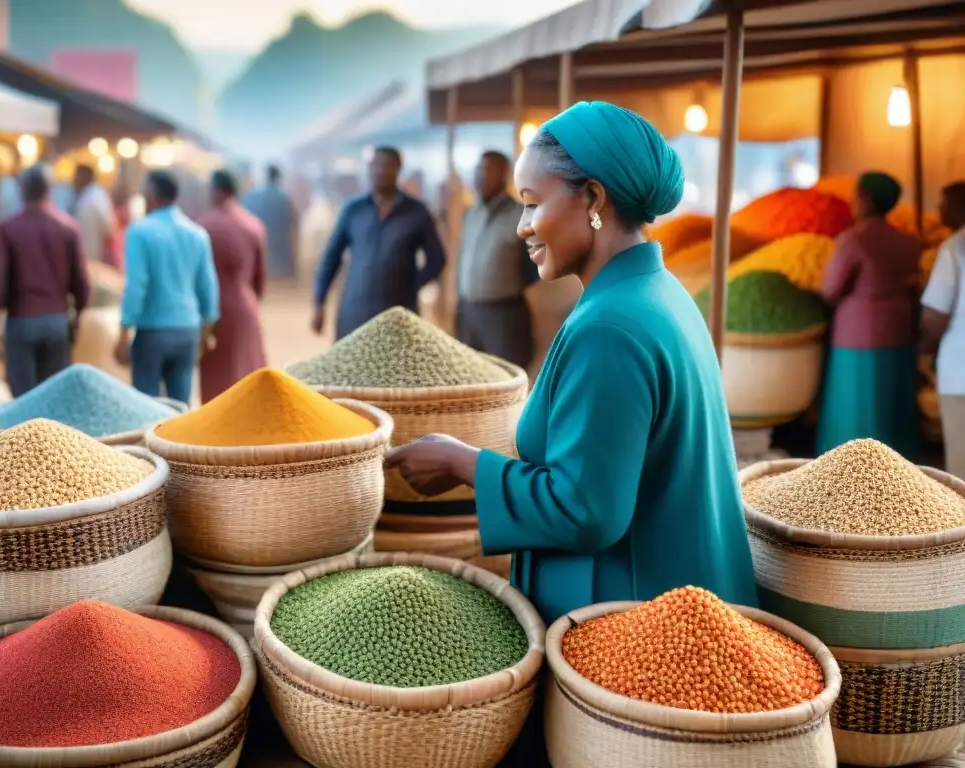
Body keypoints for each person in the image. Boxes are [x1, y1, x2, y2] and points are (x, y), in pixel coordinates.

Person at [386, 104, 758, 765]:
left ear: (592, 198)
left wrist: (463, 461)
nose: (523, 226)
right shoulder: (658, 294)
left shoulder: (608, 330)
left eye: (532, 203)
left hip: (634, 634)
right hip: (673, 594)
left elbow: (586, 510)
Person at [817, 171, 922, 458]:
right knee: (891, 402)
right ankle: (896, 468)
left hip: (858, 333)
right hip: (899, 328)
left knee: (856, 405)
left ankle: (849, 467)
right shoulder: (909, 242)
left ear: (865, 198)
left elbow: (831, 289)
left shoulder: (853, 239)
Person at [313, 147, 446, 339]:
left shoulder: (416, 212)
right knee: (351, 367)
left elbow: (437, 259)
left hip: (399, 316)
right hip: (354, 312)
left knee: (395, 367)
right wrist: (319, 302)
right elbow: (331, 258)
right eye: (375, 166)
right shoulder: (353, 210)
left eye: (387, 166)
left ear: (398, 169)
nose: (380, 171)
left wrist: (410, 285)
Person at [0, 164, 89, 396]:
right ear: (50, 190)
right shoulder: (68, 227)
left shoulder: (8, 228)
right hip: (57, 322)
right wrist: (76, 319)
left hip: (20, 322)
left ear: (22, 190)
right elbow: (82, 283)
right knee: (53, 400)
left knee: (23, 402)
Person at [118, 171, 220, 404]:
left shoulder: (140, 232)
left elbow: (136, 286)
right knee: (180, 408)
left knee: (146, 408)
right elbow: (208, 287)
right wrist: (206, 332)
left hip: (152, 332)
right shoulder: (197, 234)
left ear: (152, 196)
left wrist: (124, 333)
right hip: (187, 331)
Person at [457, 151, 539, 370]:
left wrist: (502, 288)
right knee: (469, 379)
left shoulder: (520, 215)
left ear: (504, 174)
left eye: (487, 170)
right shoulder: (470, 213)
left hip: (503, 316)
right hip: (469, 314)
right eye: (478, 169)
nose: (480, 176)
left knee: (506, 379)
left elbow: (533, 269)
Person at [197, 170, 268, 402]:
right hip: (245, 305)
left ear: (217, 191)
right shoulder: (253, 225)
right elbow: (259, 279)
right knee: (247, 372)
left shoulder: (203, 227)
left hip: (212, 311)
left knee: (216, 378)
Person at [921, 182, 965, 478]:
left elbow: (935, 315)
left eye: (944, 203)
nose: (939, 211)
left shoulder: (955, 247)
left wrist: (924, 348)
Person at [241, 164, 299, 279]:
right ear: (278, 178)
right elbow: (295, 229)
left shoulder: (251, 197)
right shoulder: (286, 200)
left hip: (257, 263)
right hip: (282, 265)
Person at [73, 164, 116, 266]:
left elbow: (108, 226)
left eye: (76, 176)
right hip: (86, 256)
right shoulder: (85, 195)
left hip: (95, 256)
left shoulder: (96, 195)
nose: (74, 180)